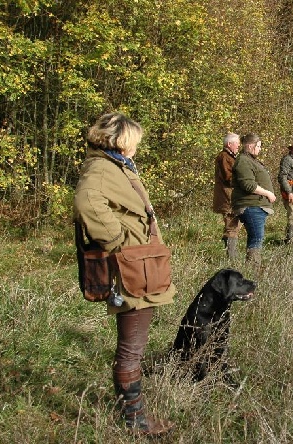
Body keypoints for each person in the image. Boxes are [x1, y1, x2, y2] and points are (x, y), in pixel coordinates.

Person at [73, 112, 175, 437]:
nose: (137, 148)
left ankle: (134, 418)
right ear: (120, 141)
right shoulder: (102, 168)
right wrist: (119, 240)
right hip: (131, 266)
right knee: (131, 348)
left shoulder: (114, 164)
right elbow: (86, 202)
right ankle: (135, 423)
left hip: (139, 263)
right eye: (134, 142)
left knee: (134, 344)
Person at [231, 133, 276, 265]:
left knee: (256, 239)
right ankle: (253, 270)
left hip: (256, 206)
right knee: (256, 239)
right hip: (251, 206)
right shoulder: (243, 161)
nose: (260, 149)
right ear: (250, 146)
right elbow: (248, 185)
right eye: (259, 146)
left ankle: (252, 270)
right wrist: (268, 193)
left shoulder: (250, 160)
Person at [213, 132, 242, 259]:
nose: (238, 146)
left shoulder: (229, 156)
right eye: (237, 143)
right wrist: (244, 181)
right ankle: (232, 257)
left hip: (230, 196)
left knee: (234, 225)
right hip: (228, 198)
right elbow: (228, 178)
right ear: (229, 144)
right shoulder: (224, 157)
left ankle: (230, 252)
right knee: (232, 226)